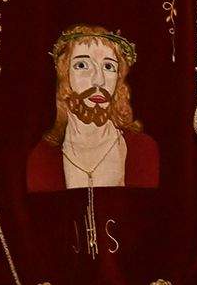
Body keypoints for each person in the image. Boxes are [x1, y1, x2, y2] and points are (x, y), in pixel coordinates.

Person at [27, 26, 160, 191]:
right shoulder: (42, 158)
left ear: (119, 79)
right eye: (82, 65)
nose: (99, 80)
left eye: (108, 67)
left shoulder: (142, 150)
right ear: (64, 75)